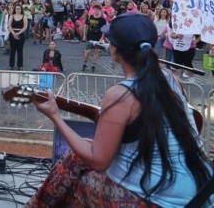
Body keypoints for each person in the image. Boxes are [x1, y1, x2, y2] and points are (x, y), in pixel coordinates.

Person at [27, 13, 212, 207]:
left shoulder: (120, 95)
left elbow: (99, 162)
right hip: (200, 193)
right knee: (75, 158)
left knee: (77, 183)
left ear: (115, 50)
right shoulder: (168, 77)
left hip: (161, 202)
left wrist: (55, 116)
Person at [82, 4, 108, 73]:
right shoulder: (90, 17)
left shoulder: (102, 20)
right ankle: (84, 63)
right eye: (95, 9)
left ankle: (93, 65)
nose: (96, 11)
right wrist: (84, 35)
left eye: (97, 9)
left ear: (100, 10)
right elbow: (85, 26)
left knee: (96, 52)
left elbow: (104, 30)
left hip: (98, 37)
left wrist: (101, 38)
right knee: (87, 52)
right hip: (90, 36)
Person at [8, 3, 28, 70]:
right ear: (15, 9)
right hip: (12, 33)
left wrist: (18, 33)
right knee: (12, 50)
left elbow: (25, 27)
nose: (18, 10)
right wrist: (14, 33)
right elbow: (9, 26)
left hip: (21, 34)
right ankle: (11, 65)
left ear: (21, 9)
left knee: (20, 50)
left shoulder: (24, 16)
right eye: (16, 8)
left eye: (19, 8)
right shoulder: (12, 16)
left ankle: (20, 65)